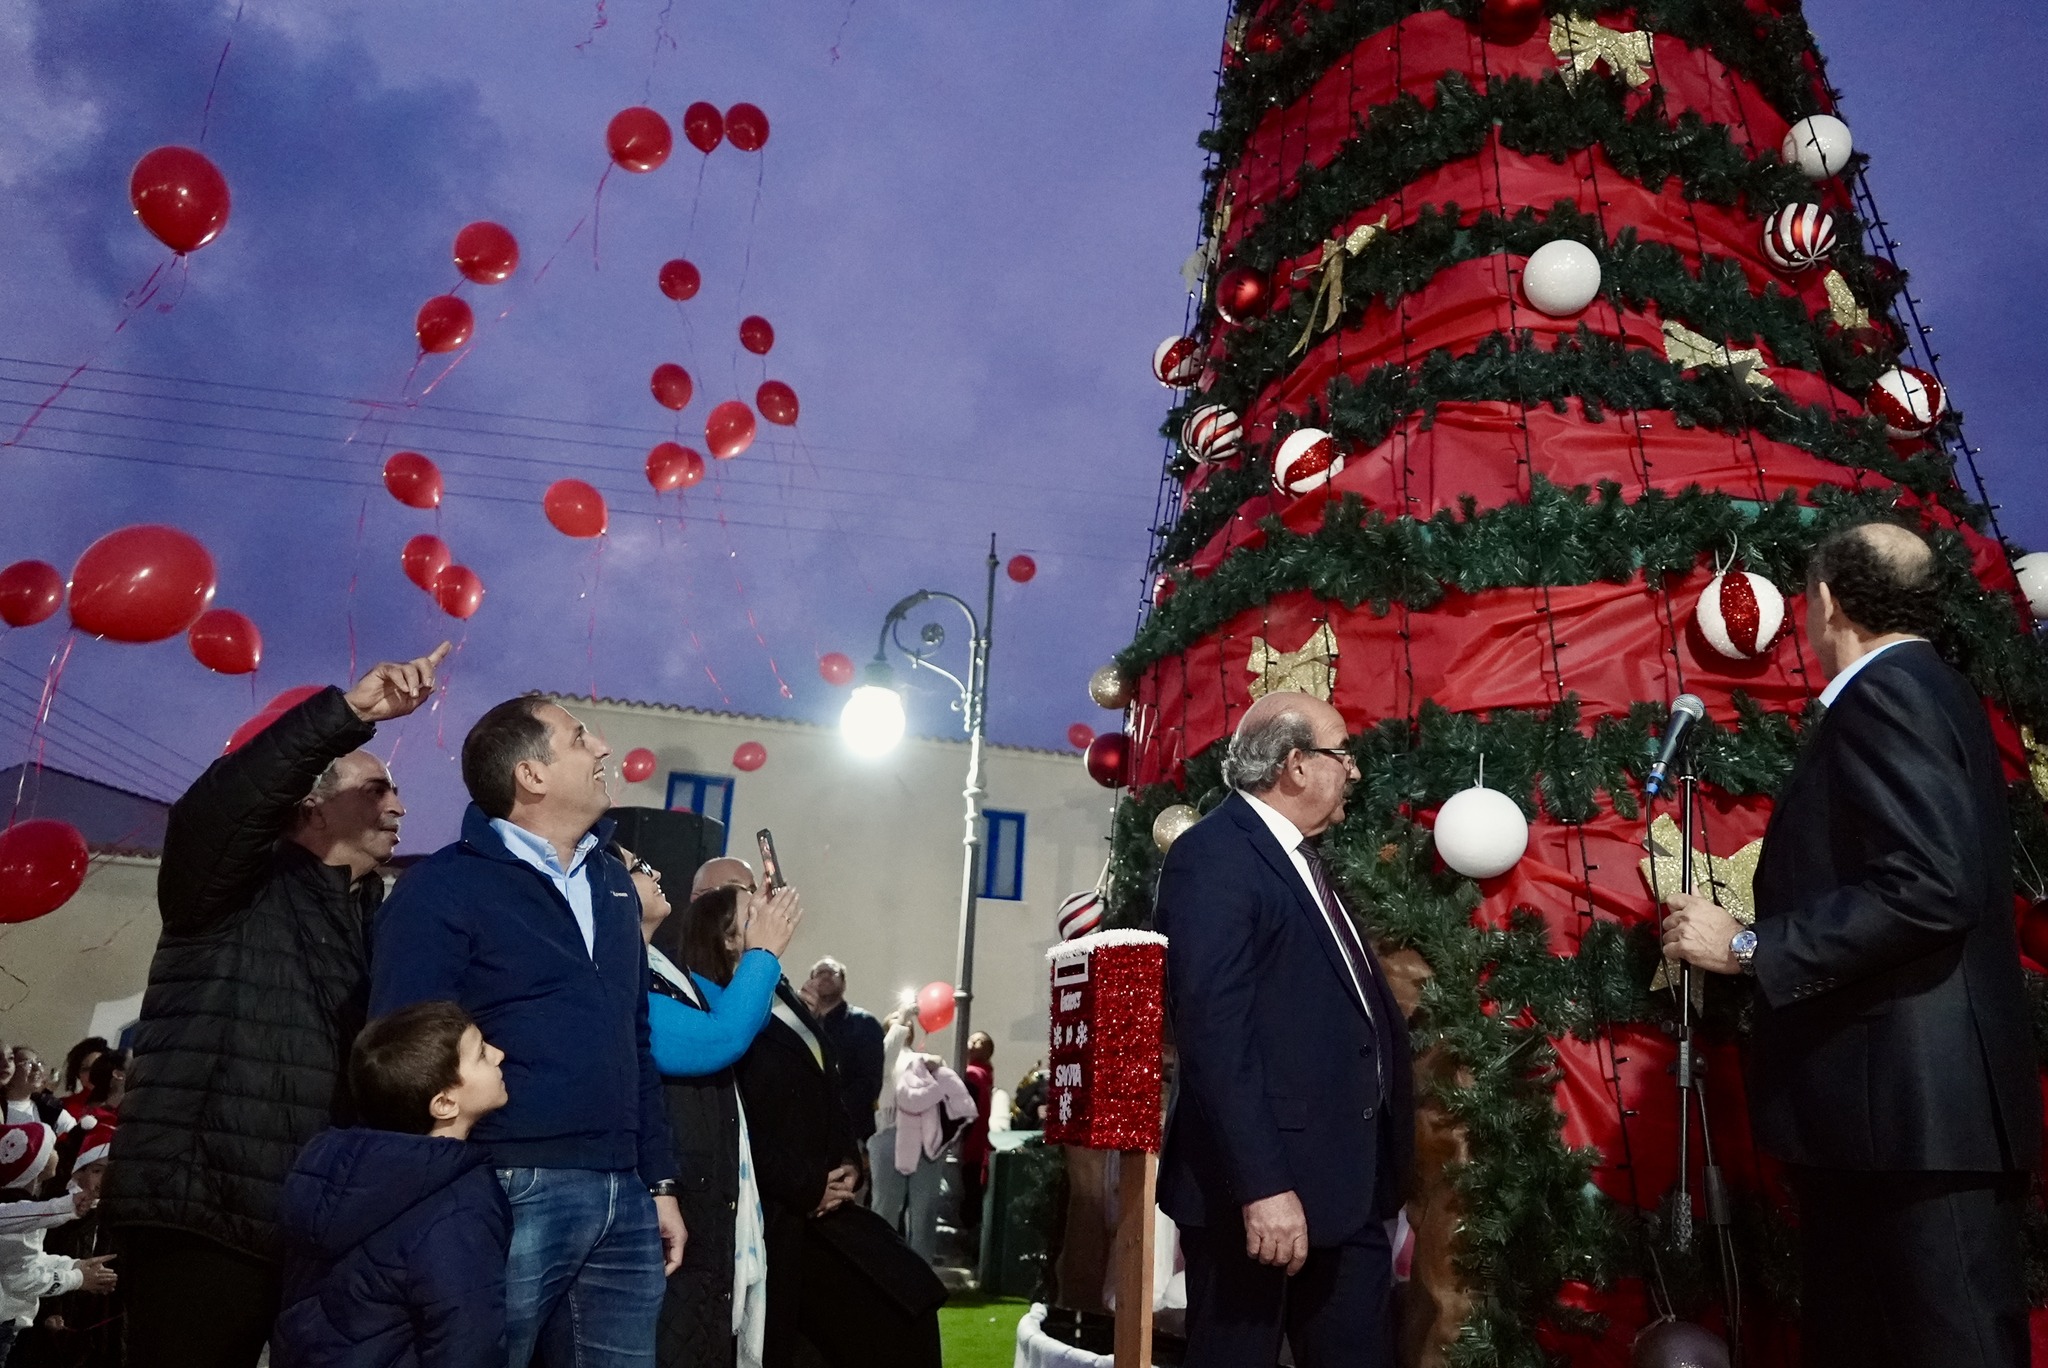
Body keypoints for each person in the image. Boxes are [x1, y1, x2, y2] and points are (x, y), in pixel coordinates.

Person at [1661, 521, 2040, 1368]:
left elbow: (1930, 885)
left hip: (1914, 1119)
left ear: (1825, 602)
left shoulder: (1889, 693)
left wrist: (1753, 946)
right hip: (1898, 1119)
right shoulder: (1935, 686)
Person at [102, 642, 448, 1368]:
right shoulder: (227, 886)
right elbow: (218, 808)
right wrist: (348, 715)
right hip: (201, 1215)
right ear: (309, 803)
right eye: (376, 788)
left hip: (311, 1228)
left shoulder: (379, 917)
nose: (399, 805)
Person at [370, 694, 683, 1368]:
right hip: (503, 1185)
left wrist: (656, 1182)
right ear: (531, 775)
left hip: (622, 1192)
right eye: (578, 738)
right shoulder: (442, 888)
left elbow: (634, 1038)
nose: (602, 748)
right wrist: (437, 1194)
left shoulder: (613, 885)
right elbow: (405, 1051)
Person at [1155, 691, 1412, 1368]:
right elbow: (1216, 1037)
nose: (1352, 770)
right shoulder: (1214, 857)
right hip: (1259, 1203)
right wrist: (1263, 1187)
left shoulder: (1301, 859)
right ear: (1296, 765)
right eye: (1341, 752)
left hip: (1342, 1194)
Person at [689, 902, 943, 1366]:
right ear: (726, 938)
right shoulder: (714, 1006)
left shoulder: (782, 995)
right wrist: (807, 1185)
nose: (768, 908)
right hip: (777, 1214)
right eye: (749, 908)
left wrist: (847, 1160)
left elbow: (832, 1084)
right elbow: (736, 1122)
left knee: (909, 1298)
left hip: (824, 1204)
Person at [271, 1002, 511, 1368]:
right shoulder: (458, 1203)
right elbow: (467, 1341)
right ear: (444, 1103)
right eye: (480, 1054)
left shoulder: (331, 1173)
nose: (498, 1054)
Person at [640, 869, 801, 1368]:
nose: (654, 871)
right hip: (678, 1198)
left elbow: (732, 1018)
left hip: (711, 1203)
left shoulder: (673, 973)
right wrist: (764, 953)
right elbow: (720, 1037)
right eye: (636, 867)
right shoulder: (624, 976)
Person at [0, 1124, 115, 1366]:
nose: (57, 1149)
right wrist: (78, 1278)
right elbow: (22, 1279)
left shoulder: (27, 1207)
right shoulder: (20, 1209)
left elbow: (37, 1253)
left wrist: (77, 1264)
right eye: (49, 1147)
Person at [890, 1051, 976, 1263]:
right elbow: (964, 1108)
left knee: (912, 1213)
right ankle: (910, 1270)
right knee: (916, 1215)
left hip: (910, 1142)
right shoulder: (942, 1078)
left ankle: (905, 1270)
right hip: (925, 1143)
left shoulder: (918, 1079)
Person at [798, 960, 885, 1146]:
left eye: (832, 972)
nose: (826, 975)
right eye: (820, 973)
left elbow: (869, 1082)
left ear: (844, 984)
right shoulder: (801, 1026)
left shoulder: (864, 1023)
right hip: (804, 1131)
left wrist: (831, 1109)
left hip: (850, 1132)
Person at [959, 1034, 995, 1234]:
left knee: (967, 1195)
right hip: (979, 1143)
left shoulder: (973, 1074)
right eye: (970, 1039)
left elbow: (966, 1113)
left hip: (970, 1144)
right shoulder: (986, 1074)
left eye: (978, 1042)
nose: (971, 1044)